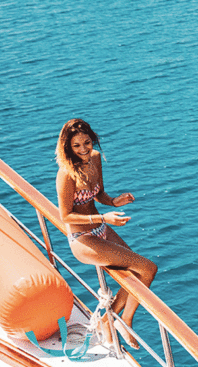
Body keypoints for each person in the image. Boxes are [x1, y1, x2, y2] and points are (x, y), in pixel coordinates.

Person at [55, 118, 157, 349]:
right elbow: (66, 216)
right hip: (83, 238)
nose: (83, 149)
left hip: (102, 228)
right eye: (76, 146)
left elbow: (99, 194)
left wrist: (113, 201)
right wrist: (103, 218)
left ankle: (120, 320)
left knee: (141, 273)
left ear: (93, 140)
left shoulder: (95, 159)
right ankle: (113, 321)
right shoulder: (66, 174)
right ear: (67, 147)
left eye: (87, 143)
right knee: (148, 267)